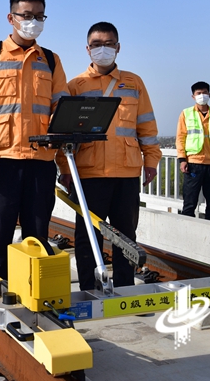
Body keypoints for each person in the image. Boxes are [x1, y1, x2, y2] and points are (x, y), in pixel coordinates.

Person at [0, 0, 69, 280]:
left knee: (37, 233)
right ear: (11, 18)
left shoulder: (50, 60)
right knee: (0, 230)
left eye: (39, 16)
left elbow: (59, 116)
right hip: (1, 162)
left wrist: (62, 165)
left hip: (40, 162)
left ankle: (31, 291)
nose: (33, 21)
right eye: (27, 15)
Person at [58, 22, 161, 289]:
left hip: (127, 173)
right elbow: (62, 134)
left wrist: (151, 160)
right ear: (87, 49)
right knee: (88, 236)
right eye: (96, 44)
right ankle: (90, 290)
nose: (102, 49)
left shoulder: (134, 83)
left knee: (126, 236)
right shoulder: (75, 85)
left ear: (118, 47)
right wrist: (65, 170)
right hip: (89, 174)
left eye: (108, 44)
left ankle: (125, 287)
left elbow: (146, 126)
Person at [176, 81, 210, 222]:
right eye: (198, 93)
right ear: (193, 96)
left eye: (204, 93)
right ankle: (187, 229)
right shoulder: (186, 113)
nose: (202, 96)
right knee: (189, 202)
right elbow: (181, 137)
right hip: (193, 163)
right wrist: (182, 159)